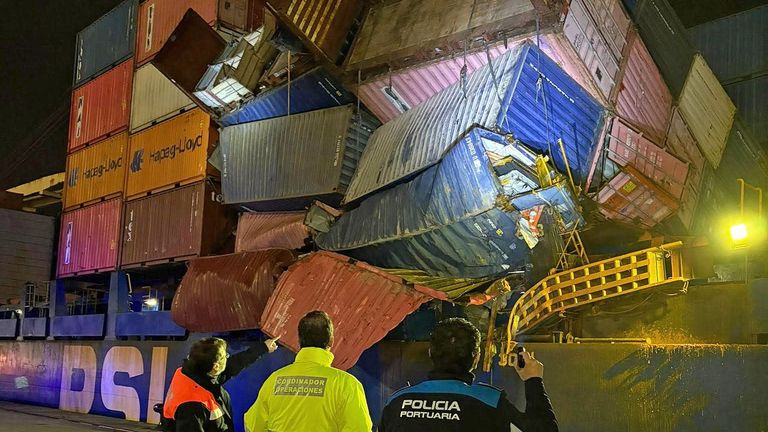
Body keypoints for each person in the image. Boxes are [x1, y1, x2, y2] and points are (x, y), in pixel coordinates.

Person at [379, 318, 559, 432]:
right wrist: (533, 380)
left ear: (431, 353)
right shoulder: (490, 402)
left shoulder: (397, 402)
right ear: (476, 358)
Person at [244, 310, 372, 432]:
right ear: (331, 340)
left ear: (299, 340)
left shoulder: (274, 381)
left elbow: (252, 426)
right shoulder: (346, 385)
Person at [161, 336, 280, 432]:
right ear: (215, 366)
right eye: (225, 356)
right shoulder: (192, 405)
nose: (228, 358)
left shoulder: (194, 373)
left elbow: (233, 365)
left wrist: (263, 348)